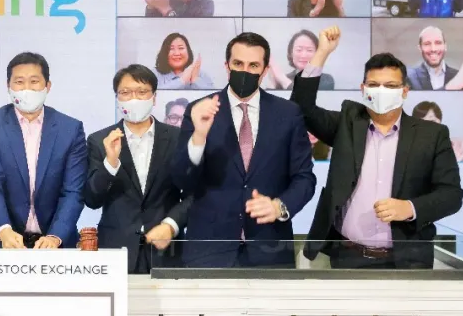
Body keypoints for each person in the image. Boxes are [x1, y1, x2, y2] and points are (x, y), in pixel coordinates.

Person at [290, 27, 463, 269]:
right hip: (348, 255)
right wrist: (321, 53)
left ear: (404, 91)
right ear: (363, 90)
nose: (382, 91)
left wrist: (410, 208)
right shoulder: (347, 124)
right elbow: (301, 108)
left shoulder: (432, 135)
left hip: (408, 261)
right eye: (374, 84)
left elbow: (452, 195)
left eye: (391, 86)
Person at [170, 32, 316, 268]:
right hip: (209, 252)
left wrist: (279, 206)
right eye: (238, 64)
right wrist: (198, 136)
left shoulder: (288, 114)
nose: (245, 71)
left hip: (270, 251)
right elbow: (182, 180)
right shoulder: (199, 110)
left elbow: (304, 178)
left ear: (265, 70)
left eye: (253, 65)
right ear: (226, 66)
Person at [83, 65, 193, 273]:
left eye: (142, 92)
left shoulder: (178, 138)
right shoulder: (99, 140)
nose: (134, 99)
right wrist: (110, 163)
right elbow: (92, 199)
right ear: (117, 98)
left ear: (154, 97)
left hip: (166, 248)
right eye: (126, 92)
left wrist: (171, 225)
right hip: (116, 249)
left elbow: (193, 193)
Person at [0, 51, 87, 249]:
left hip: (55, 245)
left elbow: (73, 191)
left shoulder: (70, 129)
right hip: (4, 243)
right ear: (8, 86)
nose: (27, 88)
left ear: (47, 86)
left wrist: (55, 236)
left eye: (34, 81)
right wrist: (4, 230)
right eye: (19, 82)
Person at [408, 26, 463, 91]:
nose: (433, 49)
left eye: (438, 43)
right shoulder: (408, 77)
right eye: (427, 44)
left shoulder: (461, 76)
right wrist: (454, 84)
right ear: (420, 48)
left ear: (445, 46)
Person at [266, 29, 336, 91]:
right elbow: (268, 100)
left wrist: (281, 78)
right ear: (291, 53)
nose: (303, 55)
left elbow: (305, 97)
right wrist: (272, 82)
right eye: (299, 50)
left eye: (309, 50)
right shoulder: (283, 79)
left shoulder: (326, 80)